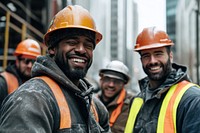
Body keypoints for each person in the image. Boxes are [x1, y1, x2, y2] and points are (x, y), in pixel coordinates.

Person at [0, 5, 111, 133]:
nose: (81, 50)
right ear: (52, 48)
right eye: (72, 42)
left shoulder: (94, 107)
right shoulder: (32, 100)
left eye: (88, 45)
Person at [125, 27, 200, 133]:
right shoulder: (137, 100)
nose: (152, 61)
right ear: (141, 60)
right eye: (146, 55)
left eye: (158, 53)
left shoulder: (191, 99)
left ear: (170, 56)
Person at [0, 38, 41, 106]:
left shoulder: (38, 83)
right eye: (26, 61)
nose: (30, 65)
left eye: (33, 61)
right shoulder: (3, 82)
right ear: (17, 61)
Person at [98, 60, 134, 133]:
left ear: (124, 83)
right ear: (101, 79)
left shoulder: (132, 104)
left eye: (117, 81)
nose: (111, 85)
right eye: (107, 79)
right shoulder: (91, 102)